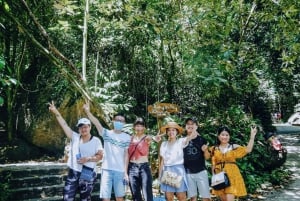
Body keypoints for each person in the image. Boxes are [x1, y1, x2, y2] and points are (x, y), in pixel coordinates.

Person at [48, 101, 103, 201]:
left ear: (90, 127)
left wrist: (88, 158)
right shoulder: (74, 137)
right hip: (74, 172)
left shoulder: (96, 140)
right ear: (78, 129)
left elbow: (100, 156)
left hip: (88, 172)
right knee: (67, 197)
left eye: (85, 126)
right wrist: (56, 112)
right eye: (81, 127)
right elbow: (64, 124)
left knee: (85, 198)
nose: (83, 129)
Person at [83, 101, 131, 201]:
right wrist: (88, 112)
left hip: (120, 171)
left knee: (120, 197)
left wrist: (125, 172)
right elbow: (96, 122)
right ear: (113, 121)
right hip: (106, 170)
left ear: (124, 123)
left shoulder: (127, 137)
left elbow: (126, 155)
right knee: (105, 198)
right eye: (117, 120)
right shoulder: (106, 133)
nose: (119, 122)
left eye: (121, 121)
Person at [209, 125, 257, 201]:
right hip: (219, 176)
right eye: (222, 134)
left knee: (229, 199)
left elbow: (248, 150)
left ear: (229, 136)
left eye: (227, 135)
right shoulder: (214, 148)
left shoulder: (233, 146)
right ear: (218, 136)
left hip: (232, 175)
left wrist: (252, 136)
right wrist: (213, 177)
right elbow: (213, 164)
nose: (224, 137)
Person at [159, 121, 193, 201]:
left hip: (178, 170)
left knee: (181, 196)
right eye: (169, 130)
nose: (171, 132)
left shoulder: (181, 141)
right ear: (167, 132)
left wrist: (191, 128)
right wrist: (159, 175)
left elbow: (191, 136)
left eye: (173, 130)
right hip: (167, 170)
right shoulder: (164, 144)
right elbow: (162, 161)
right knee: (169, 197)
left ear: (177, 132)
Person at [183, 117, 211, 201]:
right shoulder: (182, 140)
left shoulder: (202, 139)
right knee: (192, 197)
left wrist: (205, 150)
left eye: (192, 124)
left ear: (196, 126)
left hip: (201, 171)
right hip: (188, 172)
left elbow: (207, 157)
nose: (190, 126)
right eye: (188, 124)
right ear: (185, 126)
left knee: (206, 197)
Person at [127, 117, 154, 201]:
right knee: (135, 194)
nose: (139, 128)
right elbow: (127, 154)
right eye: (137, 125)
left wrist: (154, 138)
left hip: (144, 167)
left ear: (144, 127)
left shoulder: (146, 138)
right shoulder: (130, 138)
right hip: (131, 167)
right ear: (134, 127)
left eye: (141, 126)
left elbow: (151, 138)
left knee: (147, 194)